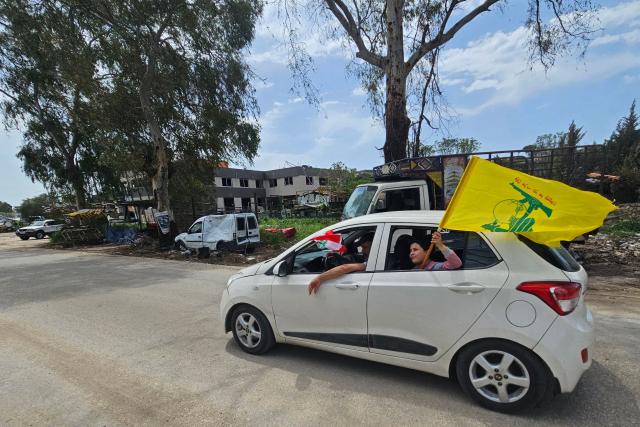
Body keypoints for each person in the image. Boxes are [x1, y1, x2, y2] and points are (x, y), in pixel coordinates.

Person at [308, 232, 373, 295]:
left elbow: (345, 268)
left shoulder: (371, 263)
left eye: (365, 247)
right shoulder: (375, 260)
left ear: (373, 246)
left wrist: (319, 278)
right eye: (362, 248)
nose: (362, 251)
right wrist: (338, 257)